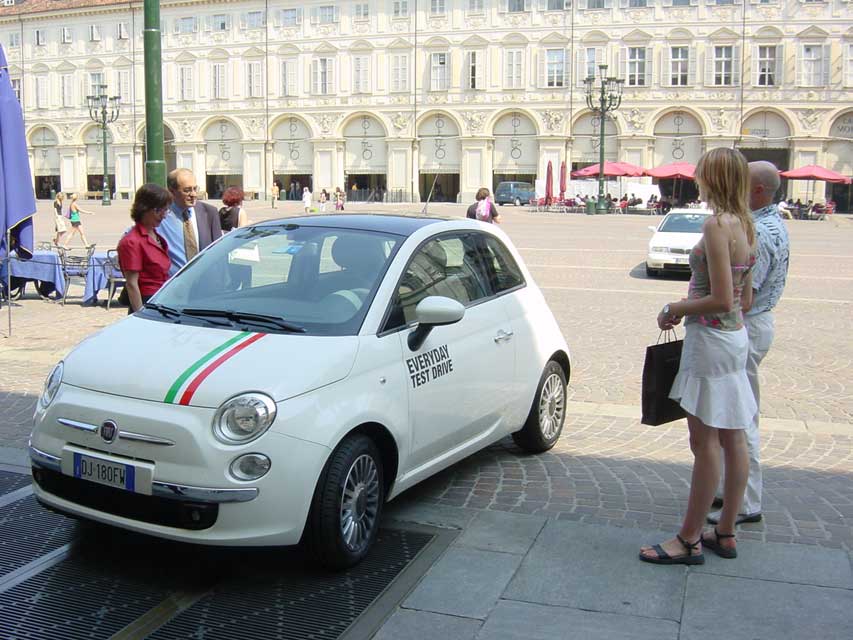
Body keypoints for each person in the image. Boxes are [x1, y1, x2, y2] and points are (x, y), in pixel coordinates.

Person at [640, 147, 757, 565]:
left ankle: (688, 538)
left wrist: (675, 308)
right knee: (733, 436)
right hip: (733, 338)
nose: (696, 180)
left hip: (710, 341)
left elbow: (723, 298)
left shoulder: (715, 225)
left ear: (715, 179)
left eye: (701, 174)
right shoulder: (745, 224)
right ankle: (724, 531)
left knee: (704, 441)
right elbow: (746, 296)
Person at [707, 161, 790, 527]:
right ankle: (735, 488)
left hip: (748, 325)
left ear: (757, 191)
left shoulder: (759, 229)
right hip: (755, 324)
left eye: (743, 183)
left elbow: (743, 299)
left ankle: (746, 502)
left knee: (740, 418)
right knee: (736, 414)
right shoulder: (773, 222)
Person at [117, 184, 173, 314]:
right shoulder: (132, 241)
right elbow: (132, 284)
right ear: (144, 209)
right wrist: (141, 315)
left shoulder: (156, 236)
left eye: (166, 210)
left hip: (162, 299)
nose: (163, 215)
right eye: (159, 210)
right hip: (146, 301)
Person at [159, 168, 222, 275]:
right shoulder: (161, 217)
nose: (193, 194)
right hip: (173, 283)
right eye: (187, 190)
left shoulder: (209, 213)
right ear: (172, 192)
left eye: (195, 189)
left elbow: (219, 251)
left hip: (204, 280)